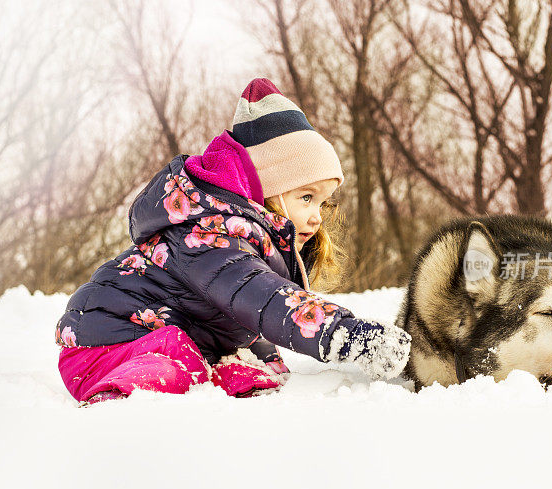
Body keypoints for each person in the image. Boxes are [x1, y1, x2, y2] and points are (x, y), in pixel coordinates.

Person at [55, 78, 411, 404]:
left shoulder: (246, 233)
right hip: (105, 342)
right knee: (179, 363)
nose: (317, 216)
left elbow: (243, 312)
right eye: (306, 198)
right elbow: (267, 300)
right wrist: (350, 336)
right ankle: (120, 401)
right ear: (266, 188)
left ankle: (218, 377)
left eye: (322, 202)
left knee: (247, 370)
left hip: (162, 337)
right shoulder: (212, 234)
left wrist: (266, 362)